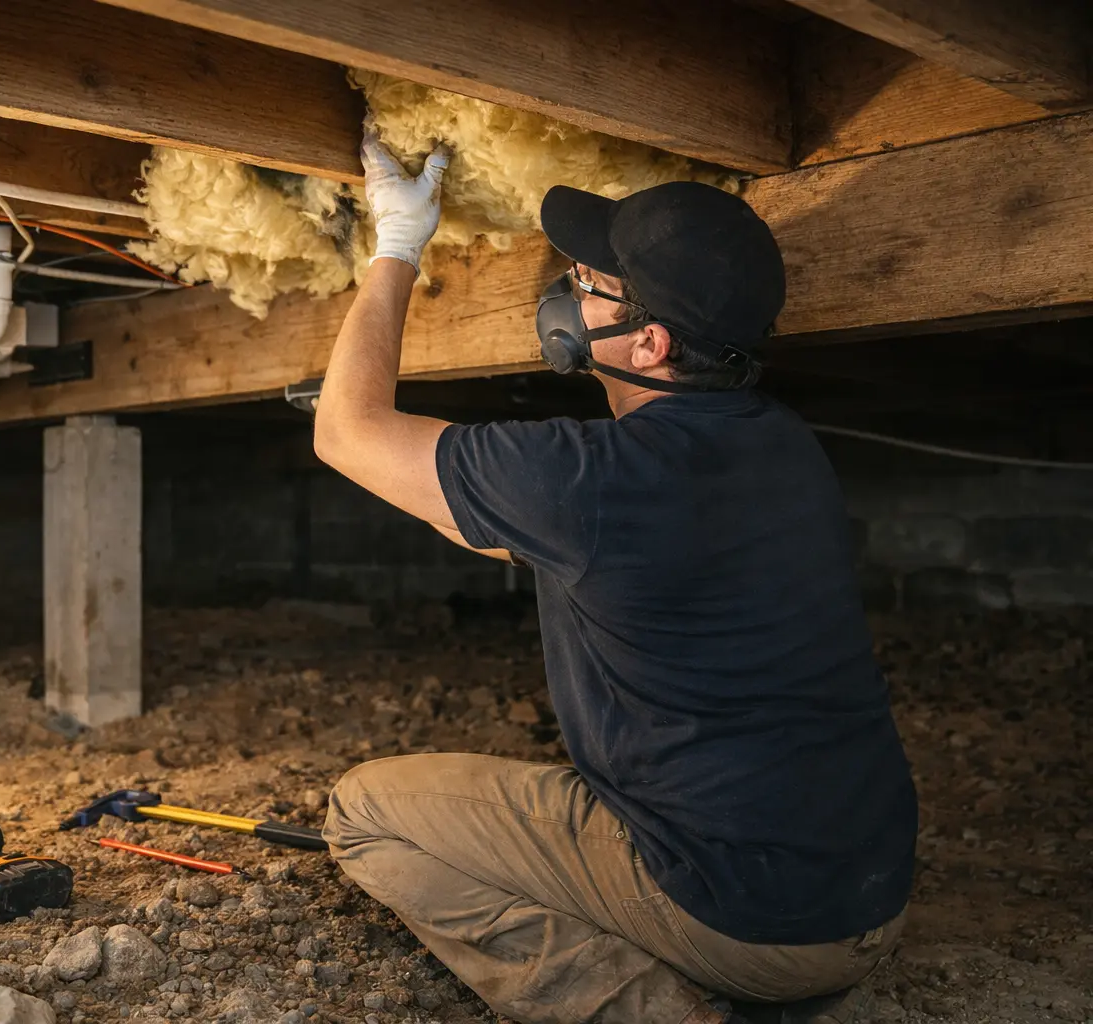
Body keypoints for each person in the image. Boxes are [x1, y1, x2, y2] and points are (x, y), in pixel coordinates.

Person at [312, 132, 918, 1024]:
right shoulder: (782, 445)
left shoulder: (587, 482)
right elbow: (554, 545)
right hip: (867, 897)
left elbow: (344, 431)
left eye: (587, 288)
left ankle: (661, 1007)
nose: (566, 294)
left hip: (745, 917)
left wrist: (396, 245)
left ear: (650, 343)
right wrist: (458, 497)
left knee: (364, 810)